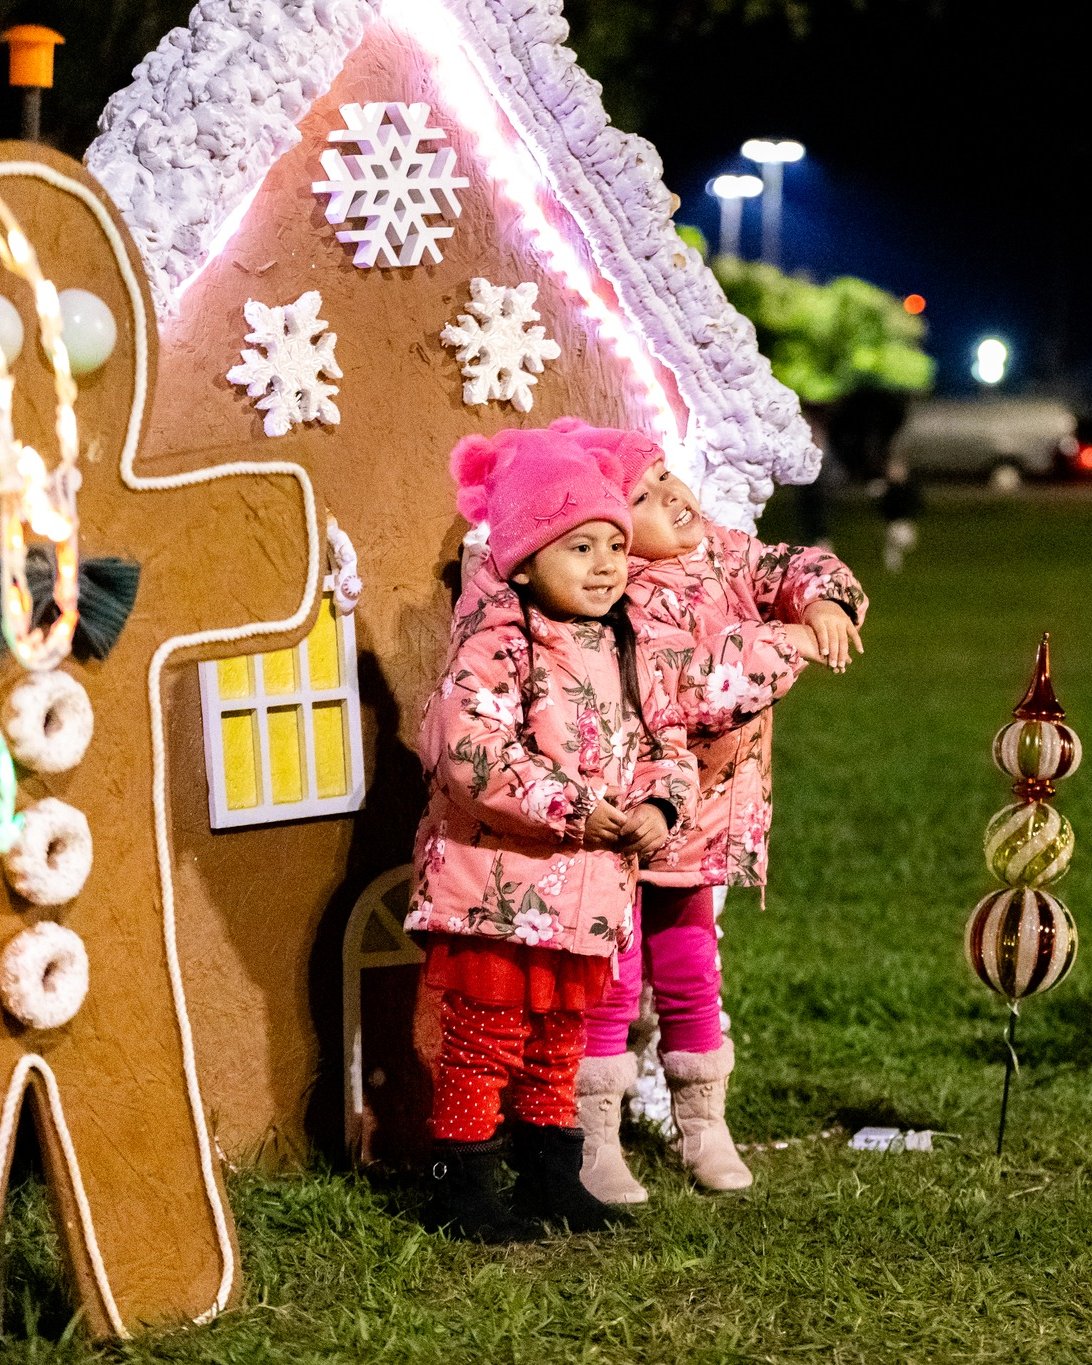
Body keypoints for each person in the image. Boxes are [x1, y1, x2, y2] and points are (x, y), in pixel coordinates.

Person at [554, 420, 867, 1204]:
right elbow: (700, 682)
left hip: (710, 815)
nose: (671, 499)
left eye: (666, 479)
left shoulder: (721, 552)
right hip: (634, 814)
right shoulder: (625, 600)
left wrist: (823, 599)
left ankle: (705, 1125)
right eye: (643, 499)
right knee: (614, 977)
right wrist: (788, 642)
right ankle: (595, 1134)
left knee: (692, 965)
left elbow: (788, 561)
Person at [406, 425, 698, 1242]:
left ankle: (548, 1174)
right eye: (580, 547)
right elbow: (469, 748)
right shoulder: (500, 640)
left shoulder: (628, 644)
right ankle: (459, 1184)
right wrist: (572, 807)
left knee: (556, 1043)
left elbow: (665, 743)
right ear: (527, 560)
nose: (607, 563)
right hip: (498, 888)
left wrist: (658, 808)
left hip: (587, 895)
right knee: (487, 1038)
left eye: (614, 542)